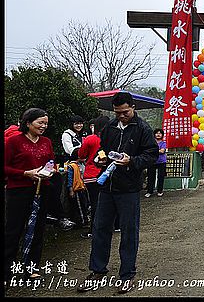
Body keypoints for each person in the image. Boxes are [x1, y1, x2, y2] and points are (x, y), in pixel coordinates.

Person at [78, 92, 158, 294]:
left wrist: (131, 161)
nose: (121, 116)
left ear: (133, 108)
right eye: (117, 113)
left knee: (129, 232)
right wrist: (100, 159)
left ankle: (127, 275)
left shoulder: (143, 129)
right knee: (100, 229)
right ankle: (97, 270)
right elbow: (102, 151)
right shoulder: (109, 128)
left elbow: (151, 155)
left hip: (129, 188)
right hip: (106, 186)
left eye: (125, 112)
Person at [4, 108, 55, 286]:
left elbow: (51, 162)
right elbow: (6, 168)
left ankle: (31, 269)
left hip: (42, 189)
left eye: (46, 123)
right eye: (40, 123)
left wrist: (48, 171)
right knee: (13, 230)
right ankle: (7, 269)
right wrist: (26, 173)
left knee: (37, 230)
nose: (44, 126)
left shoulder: (47, 141)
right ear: (28, 123)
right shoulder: (13, 142)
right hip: (19, 190)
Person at [77, 115, 110, 239]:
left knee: (95, 203)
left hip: (92, 175)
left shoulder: (91, 139)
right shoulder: (112, 138)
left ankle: (94, 229)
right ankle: (115, 225)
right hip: (107, 174)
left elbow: (81, 154)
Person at [145, 128, 167, 197]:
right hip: (152, 162)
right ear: (154, 135)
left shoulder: (163, 143)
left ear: (162, 135)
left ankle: (160, 191)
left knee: (161, 177)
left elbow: (162, 151)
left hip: (161, 162)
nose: (158, 134)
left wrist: (153, 151)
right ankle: (149, 191)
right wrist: (158, 151)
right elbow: (148, 150)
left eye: (160, 133)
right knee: (151, 177)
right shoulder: (151, 143)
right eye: (157, 133)